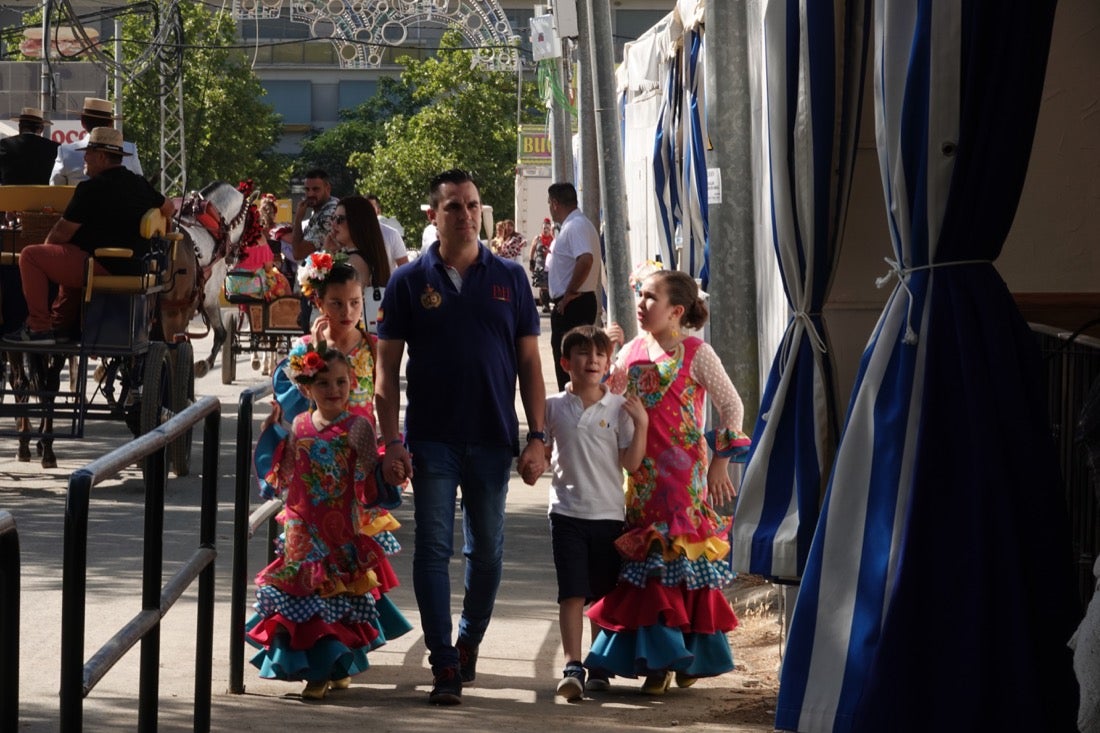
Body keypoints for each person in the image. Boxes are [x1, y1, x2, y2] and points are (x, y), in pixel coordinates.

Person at [375, 168, 548, 706]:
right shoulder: (408, 282)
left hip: (494, 437)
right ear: (434, 216)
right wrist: (391, 444)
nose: (466, 215)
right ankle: (443, 660)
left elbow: (530, 364)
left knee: (489, 554)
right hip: (430, 439)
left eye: (472, 205)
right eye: (454, 206)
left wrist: (537, 436)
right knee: (432, 550)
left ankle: (469, 641)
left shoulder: (511, 278)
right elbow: (385, 374)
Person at [584, 269, 751, 695]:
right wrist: (609, 348)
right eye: (640, 295)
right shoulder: (633, 351)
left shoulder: (697, 353)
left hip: (685, 480)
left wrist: (720, 462)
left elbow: (732, 406)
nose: (641, 304)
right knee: (650, 566)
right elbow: (607, 395)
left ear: (676, 311)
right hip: (641, 477)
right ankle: (659, 662)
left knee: (680, 562)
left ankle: (687, 653)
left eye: (650, 297)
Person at [247, 342, 391, 700]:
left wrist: (393, 469)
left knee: (334, 602)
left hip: (340, 527)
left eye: (342, 383)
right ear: (307, 388)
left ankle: (336, 667)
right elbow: (285, 476)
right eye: (324, 384)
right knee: (308, 600)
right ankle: (318, 672)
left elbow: (373, 472)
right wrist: (271, 435)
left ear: (352, 383)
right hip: (301, 527)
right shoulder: (298, 424)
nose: (334, 391)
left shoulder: (358, 427)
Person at [545, 325, 648, 701]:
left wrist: (642, 426)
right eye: (584, 354)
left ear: (608, 363)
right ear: (565, 363)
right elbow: (542, 450)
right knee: (571, 592)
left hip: (608, 514)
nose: (592, 360)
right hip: (566, 513)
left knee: (603, 594)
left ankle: (599, 664)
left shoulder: (619, 407)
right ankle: (573, 665)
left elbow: (632, 463)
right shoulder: (553, 406)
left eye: (600, 355)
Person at [4, 127, 170, 344]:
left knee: (30, 256)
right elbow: (169, 208)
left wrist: (47, 251)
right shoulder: (139, 184)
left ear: (101, 157)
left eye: (89, 152)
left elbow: (61, 233)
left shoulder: (90, 189)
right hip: (135, 265)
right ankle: (61, 326)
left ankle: (38, 327)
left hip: (100, 264)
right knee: (72, 257)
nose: (85, 157)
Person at [546, 182, 601, 391]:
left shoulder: (575, 225)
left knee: (570, 364)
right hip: (575, 302)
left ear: (555, 203)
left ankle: (572, 409)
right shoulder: (577, 224)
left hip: (574, 304)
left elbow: (585, 259)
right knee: (569, 361)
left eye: (550, 204)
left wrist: (569, 292)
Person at [49, 97, 142, 185]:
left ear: (82, 122)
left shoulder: (65, 152)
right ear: (110, 124)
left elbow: (55, 190)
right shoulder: (130, 150)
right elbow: (139, 183)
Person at [0, 107, 60, 185]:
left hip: (11, 196)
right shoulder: (54, 148)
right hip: (43, 196)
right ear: (41, 129)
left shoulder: (4, 145)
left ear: (20, 126)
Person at [365, 193, 410, 273]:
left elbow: (405, 269)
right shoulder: (351, 235)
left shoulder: (392, 234)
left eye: (371, 207)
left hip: (386, 284)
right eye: (364, 208)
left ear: (378, 210)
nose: (367, 211)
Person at [529, 217, 554, 313]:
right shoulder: (537, 238)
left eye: (547, 228)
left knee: (548, 285)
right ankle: (545, 304)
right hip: (540, 262)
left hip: (549, 263)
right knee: (542, 285)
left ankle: (549, 302)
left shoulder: (552, 238)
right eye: (544, 228)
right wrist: (531, 261)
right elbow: (532, 250)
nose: (546, 230)